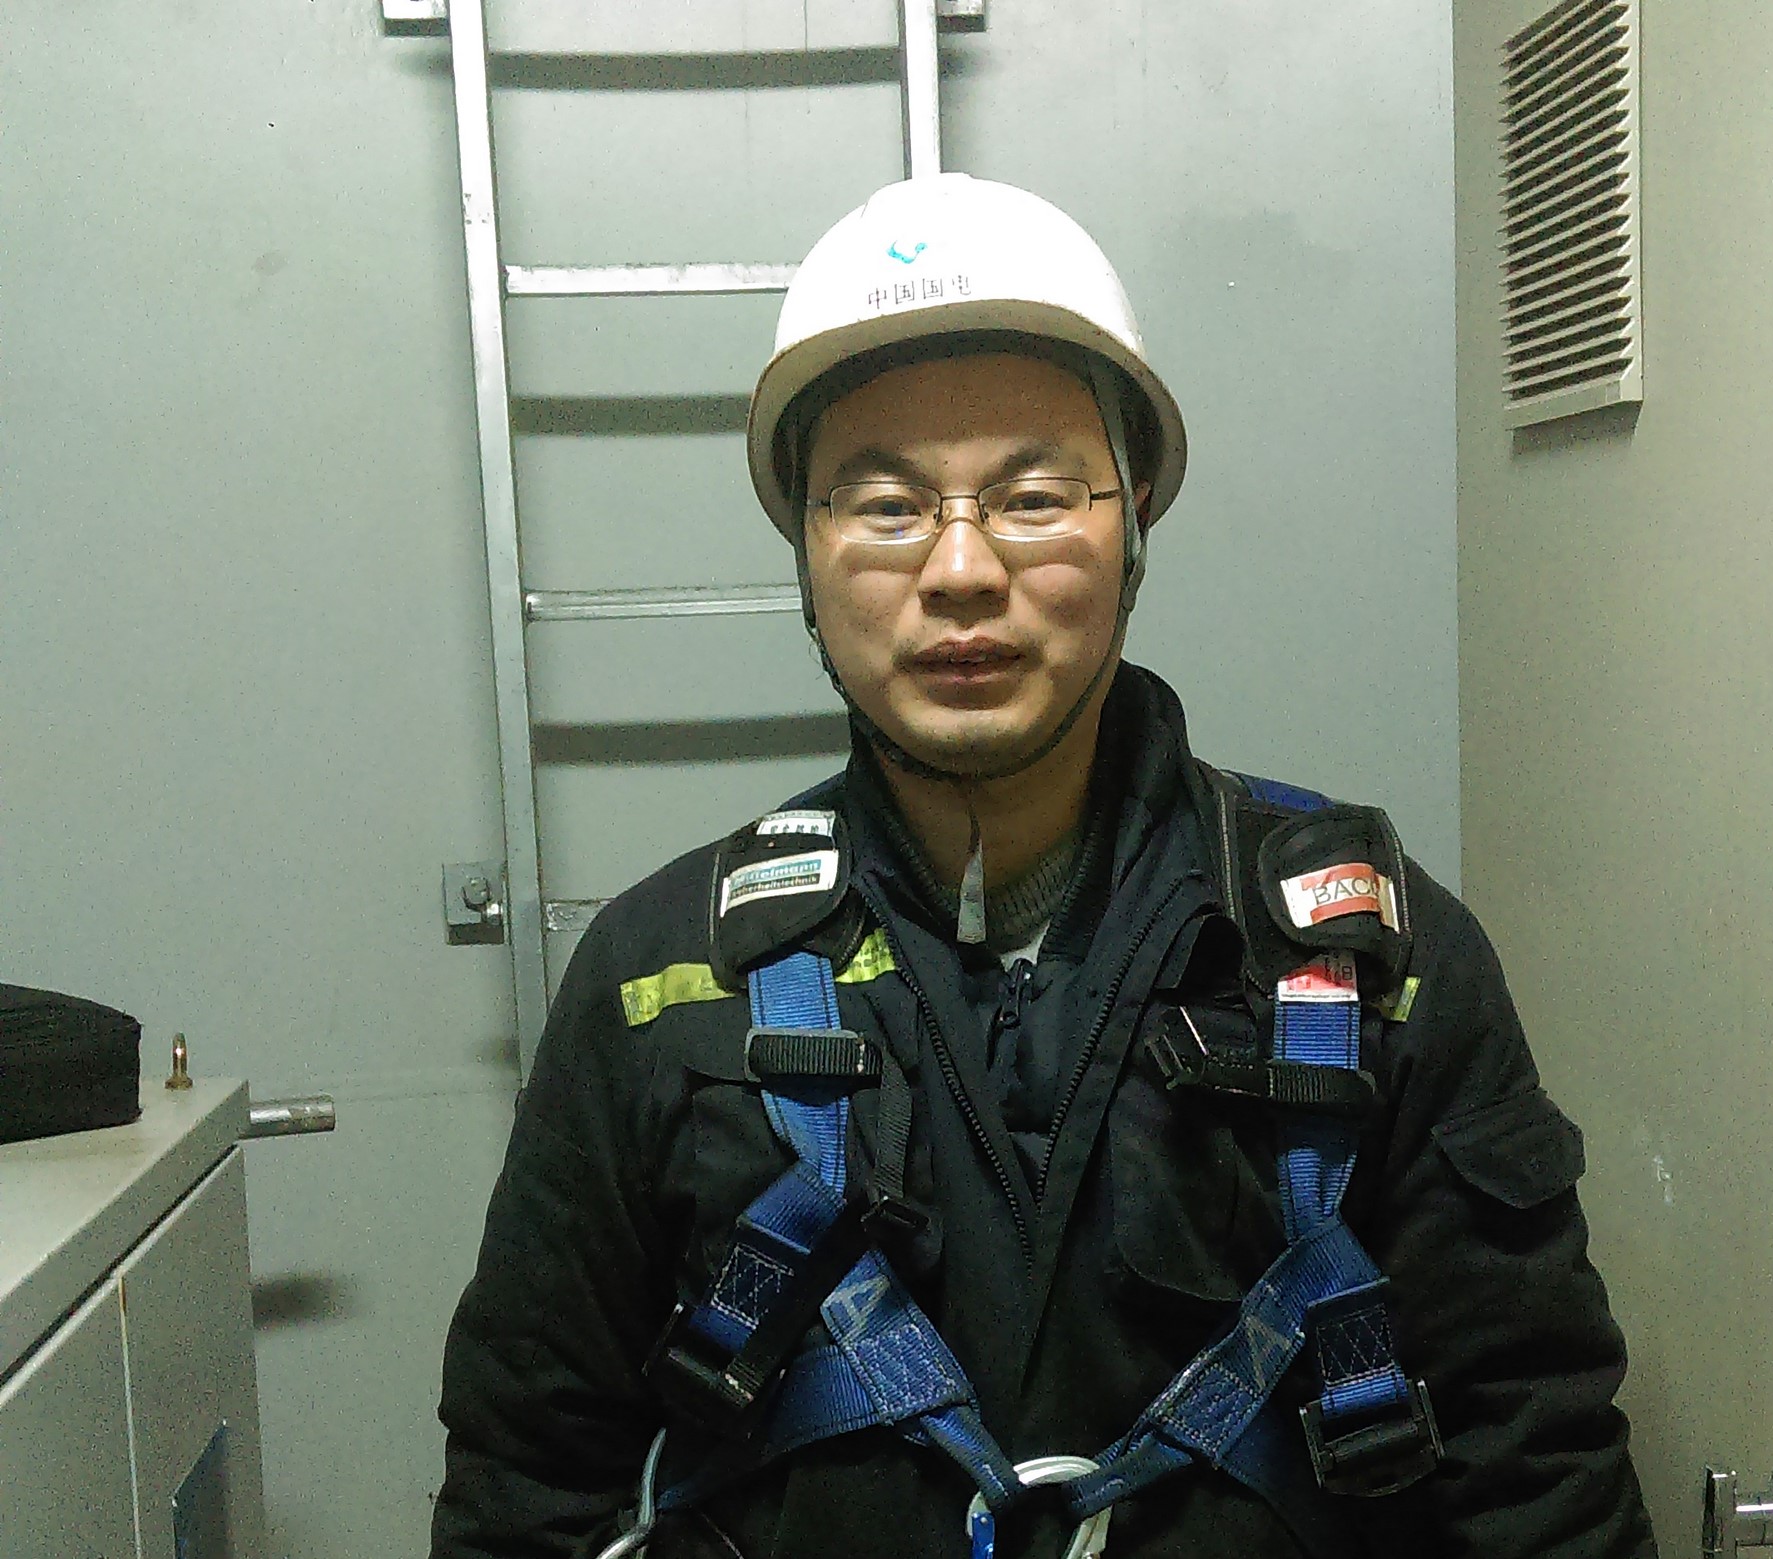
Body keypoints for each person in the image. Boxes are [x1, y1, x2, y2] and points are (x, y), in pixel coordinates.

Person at [430, 174, 1656, 1559]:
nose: (961, 570)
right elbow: (526, 1489)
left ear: (1135, 523)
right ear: (808, 551)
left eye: (1032, 495)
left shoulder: (1368, 965)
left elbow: (1539, 1481)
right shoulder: (664, 984)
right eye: (884, 504)